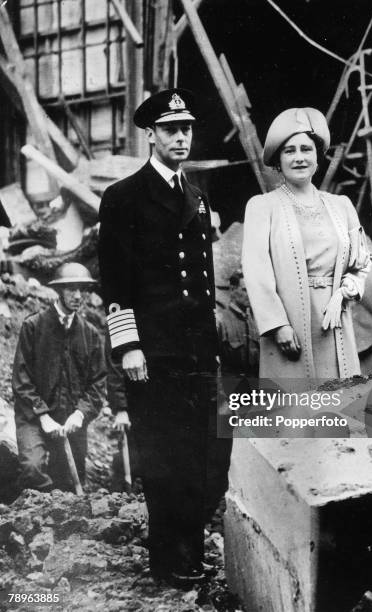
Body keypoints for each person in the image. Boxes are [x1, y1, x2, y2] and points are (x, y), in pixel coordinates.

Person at [98, 88, 231, 587]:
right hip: (152, 352)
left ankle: (190, 553)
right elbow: (114, 279)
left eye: (187, 129)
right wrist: (128, 344)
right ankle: (167, 560)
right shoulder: (124, 197)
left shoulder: (196, 196)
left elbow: (204, 280)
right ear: (150, 135)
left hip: (196, 351)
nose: (181, 137)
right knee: (162, 455)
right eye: (171, 129)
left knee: (199, 455)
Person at [242, 107, 372, 384]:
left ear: (317, 157)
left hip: (336, 321)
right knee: (295, 413)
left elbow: (362, 263)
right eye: (289, 151)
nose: (299, 157)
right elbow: (256, 272)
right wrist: (277, 325)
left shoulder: (342, 206)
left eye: (306, 149)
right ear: (278, 160)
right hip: (291, 325)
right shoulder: (262, 207)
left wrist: (347, 290)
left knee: (340, 407)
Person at [12, 262, 106, 492]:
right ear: (58, 291)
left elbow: (98, 384)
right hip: (34, 419)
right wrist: (42, 415)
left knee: (72, 484)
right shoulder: (34, 326)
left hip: (70, 424)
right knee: (34, 469)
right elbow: (22, 380)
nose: (77, 296)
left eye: (82, 290)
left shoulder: (91, 335)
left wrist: (80, 414)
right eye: (71, 289)